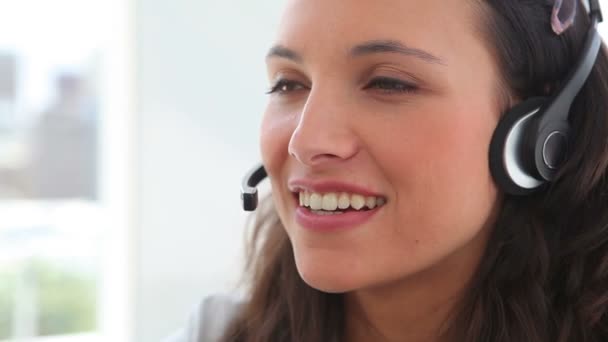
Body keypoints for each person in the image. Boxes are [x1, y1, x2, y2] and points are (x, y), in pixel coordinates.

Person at [167, 0, 608, 341]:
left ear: (543, 133)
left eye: (388, 83)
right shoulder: (219, 331)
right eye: (289, 83)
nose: (305, 142)